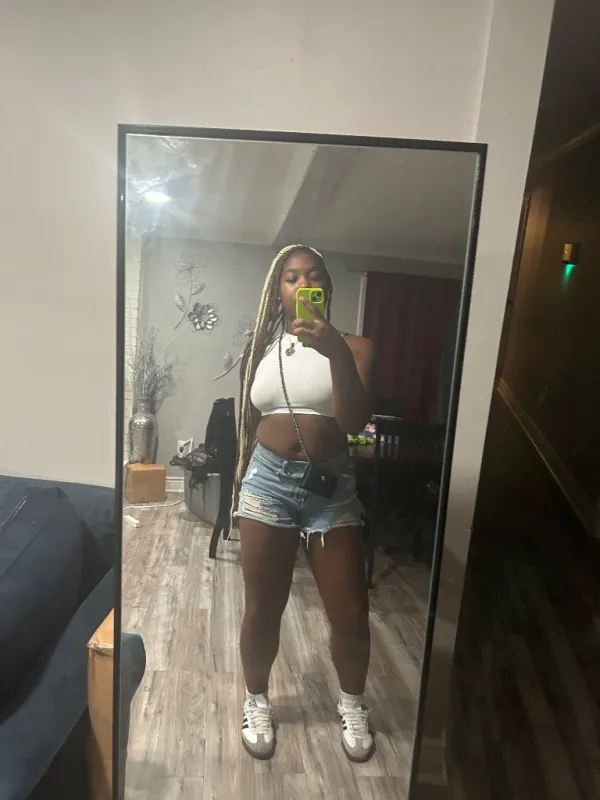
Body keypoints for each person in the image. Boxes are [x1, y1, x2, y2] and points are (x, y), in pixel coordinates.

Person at [232, 244, 375, 763]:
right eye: (291, 277)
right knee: (263, 606)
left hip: (331, 488)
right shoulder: (261, 349)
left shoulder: (356, 347)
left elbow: (355, 423)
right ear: (279, 291)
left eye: (313, 276)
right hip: (267, 482)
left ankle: (352, 704)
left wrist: (334, 350)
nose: (303, 284)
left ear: (326, 288)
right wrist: (243, 472)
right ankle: (256, 700)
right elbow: (249, 417)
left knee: (351, 612)